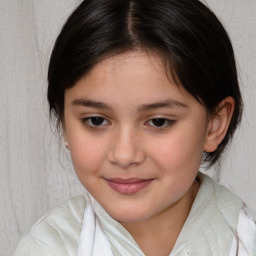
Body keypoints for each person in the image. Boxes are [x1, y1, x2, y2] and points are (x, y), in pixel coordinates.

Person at [14, 0, 256, 255]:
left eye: (159, 121)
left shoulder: (246, 242)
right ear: (64, 122)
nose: (124, 155)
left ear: (214, 124)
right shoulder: (45, 248)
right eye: (96, 120)